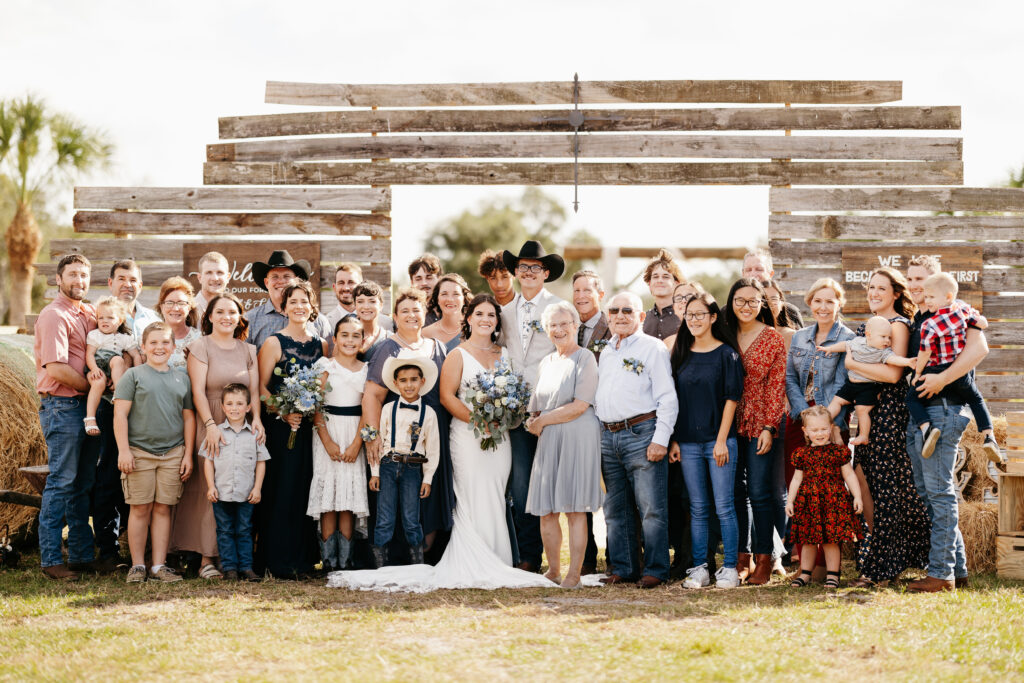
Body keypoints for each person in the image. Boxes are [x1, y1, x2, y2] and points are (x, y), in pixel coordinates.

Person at [330, 295, 562, 591]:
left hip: (498, 438)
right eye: (479, 313)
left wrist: (502, 418)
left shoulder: (504, 354)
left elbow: (513, 394)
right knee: (469, 495)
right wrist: (479, 422)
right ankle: (472, 558)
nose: (485, 319)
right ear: (469, 318)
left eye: (491, 315)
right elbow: (447, 397)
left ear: (496, 322)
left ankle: (498, 557)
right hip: (467, 436)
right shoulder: (456, 353)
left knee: (495, 493)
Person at [903, 256, 988, 592]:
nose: (915, 285)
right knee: (934, 492)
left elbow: (979, 347)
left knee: (939, 494)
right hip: (924, 412)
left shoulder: (957, 312)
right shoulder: (921, 317)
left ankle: (941, 574)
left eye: (921, 279)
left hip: (945, 407)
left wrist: (942, 380)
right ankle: (959, 569)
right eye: (910, 279)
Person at [845, 267, 930, 588]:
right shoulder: (868, 326)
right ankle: (882, 557)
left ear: (896, 293)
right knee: (864, 483)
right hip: (869, 413)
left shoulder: (898, 325)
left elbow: (893, 375)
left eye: (881, 287)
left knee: (887, 490)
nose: (874, 292)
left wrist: (853, 363)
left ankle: (884, 566)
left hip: (890, 414)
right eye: (870, 287)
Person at [361, 287, 454, 565]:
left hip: (434, 430)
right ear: (395, 316)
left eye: (416, 310)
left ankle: (430, 556)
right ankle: (397, 557)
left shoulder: (437, 347)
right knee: (395, 502)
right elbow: (371, 395)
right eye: (405, 311)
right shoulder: (388, 348)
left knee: (431, 491)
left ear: (425, 313)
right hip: (396, 438)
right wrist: (371, 437)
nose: (411, 315)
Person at [595, 292, 679, 588]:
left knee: (651, 508)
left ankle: (656, 569)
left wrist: (660, 439)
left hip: (642, 434)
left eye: (627, 310)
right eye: (614, 310)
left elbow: (667, 397)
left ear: (641, 317)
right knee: (615, 510)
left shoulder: (652, 348)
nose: (620, 315)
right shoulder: (606, 350)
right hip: (608, 436)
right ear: (607, 316)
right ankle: (624, 567)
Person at [177, 293, 262, 580]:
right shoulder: (200, 346)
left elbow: (255, 392)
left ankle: (236, 560)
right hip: (210, 420)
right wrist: (211, 424)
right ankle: (205, 559)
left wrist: (258, 420)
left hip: (243, 423)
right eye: (220, 311)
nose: (227, 316)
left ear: (240, 317)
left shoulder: (249, 350)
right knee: (210, 492)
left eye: (232, 312)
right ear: (209, 316)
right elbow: (197, 391)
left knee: (238, 486)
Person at [667, 292, 743, 589]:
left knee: (724, 506)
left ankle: (730, 569)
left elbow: (732, 399)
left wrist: (722, 440)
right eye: (689, 315)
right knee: (698, 508)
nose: (694, 320)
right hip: (687, 442)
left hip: (719, 442)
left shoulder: (727, 354)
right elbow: (673, 399)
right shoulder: (681, 353)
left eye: (700, 314)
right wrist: (674, 440)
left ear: (713, 318)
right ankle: (699, 568)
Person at [524, 302, 604, 588]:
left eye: (563, 324)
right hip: (549, 438)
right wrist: (534, 421)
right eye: (552, 325)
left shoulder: (585, 359)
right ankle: (554, 570)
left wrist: (542, 421)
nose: (558, 330)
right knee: (547, 509)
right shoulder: (547, 362)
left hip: (577, 434)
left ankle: (574, 574)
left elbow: (580, 405)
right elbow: (536, 405)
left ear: (574, 326)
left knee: (574, 508)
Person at [499, 240, 567, 572]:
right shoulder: (504, 312)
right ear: (515, 272)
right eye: (523, 267)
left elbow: (567, 355)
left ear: (546, 273)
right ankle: (528, 555)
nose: (528, 273)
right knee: (522, 483)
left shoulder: (559, 308)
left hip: (551, 409)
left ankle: (570, 556)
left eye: (535, 268)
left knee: (556, 483)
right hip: (515, 412)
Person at [113, 321, 196, 583]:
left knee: (163, 508)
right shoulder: (133, 376)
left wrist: (187, 454)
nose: (159, 347)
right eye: (154, 343)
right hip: (139, 452)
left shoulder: (181, 377)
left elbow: (189, 418)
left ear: (173, 347)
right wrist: (124, 451)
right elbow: (120, 415)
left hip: (173, 452)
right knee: (140, 508)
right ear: (144, 347)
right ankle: (137, 565)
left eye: (165, 342)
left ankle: (159, 566)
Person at [256, 281, 327, 578]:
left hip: (310, 429)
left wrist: (307, 410)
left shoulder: (321, 344)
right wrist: (284, 412)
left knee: (305, 489)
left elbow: (324, 385)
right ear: (284, 307)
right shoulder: (274, 342)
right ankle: (277, 560)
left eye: (304, 301)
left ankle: (304, 559)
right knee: (281, 489)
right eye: (293, 302)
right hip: (280, 429)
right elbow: (260, 389)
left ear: (312, 307)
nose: (299, 306)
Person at [35, 254, 100, 580]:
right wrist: (93, 388)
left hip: (84, 410)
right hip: (63, 407)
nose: (79, 281)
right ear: (58, 279)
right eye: (73, 274)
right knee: (61, 483)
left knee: (82, 484)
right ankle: (50, 560)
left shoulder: (87, 313)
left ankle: (81, 554)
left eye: (84, 275)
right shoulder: (54, 316)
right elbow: (58, 368)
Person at [785, 278, 856, 569]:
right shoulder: (800, 337)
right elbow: (790, 379)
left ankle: (829, 565)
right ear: (810, 304)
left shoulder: (848, 338)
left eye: (830, 301)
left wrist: (831, 423)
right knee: (801, 489)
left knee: (828, 492)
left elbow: (845, 383)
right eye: (818, 301)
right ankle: (805, 564)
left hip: (831, 421)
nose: (823, 307)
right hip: (800, 420)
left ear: (839, 304)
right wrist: (803, 414)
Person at [723, 278, 786, 585]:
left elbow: (776, 387)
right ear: (731, 302)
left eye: (752, 301)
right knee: (735, 491)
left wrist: (769, 427)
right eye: (740, 300)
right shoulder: (722, 334)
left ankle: (765, 558)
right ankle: (740, 557)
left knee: (760, 492)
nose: (746, 306)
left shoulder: (772, 338)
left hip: (761, 422)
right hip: (727, 422)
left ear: (762, 304)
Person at [908, 273, 997, 461]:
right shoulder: (963, 310)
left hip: (935, 370)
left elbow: (924, 352)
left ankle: (927, 429)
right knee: (976, 399)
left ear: (947, 297)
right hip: (960, 373)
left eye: (931, 297)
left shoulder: (929, 324)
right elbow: (982, 322)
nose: (927, 300)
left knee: (912, 400)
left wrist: (917, 373)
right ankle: (989, 436)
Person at [309, 315, 369, 572]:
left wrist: (358, 443)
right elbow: (316, 407)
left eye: (356, 336)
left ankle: (346, 560)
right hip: (328, 433)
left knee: (348, 496)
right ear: (335, 339)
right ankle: (329, 560)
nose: (350, 340)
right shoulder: (325, 365)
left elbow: (368, 410)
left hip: (355, 432)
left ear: (363, 341)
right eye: (344, 335)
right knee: (328, 497)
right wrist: (328, 442)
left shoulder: (367, 370)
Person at [369, 355, 441, 567]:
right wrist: (374, 472)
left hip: (413, 469)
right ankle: (381, 565)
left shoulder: (428, 414)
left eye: (413, 379)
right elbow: (378, 443)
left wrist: (427, 478)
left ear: (422, 382)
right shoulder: (388, 409)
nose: (408, 385)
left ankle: (416, 563)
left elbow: (433, 449)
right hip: (387, 466)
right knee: (385, 518)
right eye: (403, 380)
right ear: (395, 383)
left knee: (411, 518)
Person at [786, 405, 863, 589]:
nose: (819, 433)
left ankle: (833, 575)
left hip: (833, 502)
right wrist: (790, 500)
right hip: (808, 503)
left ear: (830, 427)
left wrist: (857, 496)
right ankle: (805, 573)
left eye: (823, 429)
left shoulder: (838, 452)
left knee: (831, 541)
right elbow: (797, 478)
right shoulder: (802, 454)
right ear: (805, 431)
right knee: (808, 540)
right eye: (814, 430)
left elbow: (850, 475)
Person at [202, 382, 268, 582]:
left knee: (245, 530)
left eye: (240, 403)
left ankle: (246, 567)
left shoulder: (255, 434)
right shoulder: (216, 433)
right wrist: (211, 486)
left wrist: (257, 488)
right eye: (229, 404)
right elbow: (208, 461)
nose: (234, 408)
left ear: (248, 407)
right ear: (222, 407)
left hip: (246, 493)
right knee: (224, 531)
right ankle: (229, 568)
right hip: (221, 492)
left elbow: (261, 462)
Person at [820, 316, 916, 446]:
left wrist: (908, 362)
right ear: (868, 335)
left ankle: (863, 435)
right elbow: (844, 345)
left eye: (889, 337)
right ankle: (824, 420)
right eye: (883, 337)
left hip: (868, 387)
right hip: (851, 384)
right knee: (837, 401)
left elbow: (895, 359)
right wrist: (830, 348)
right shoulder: (858, 342)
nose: (887, 341)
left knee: (862, 410)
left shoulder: (884, 352)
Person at [569, 269, 610, 572]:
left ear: (600, 295)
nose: (581, 296)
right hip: (575, 418)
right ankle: (586, 558)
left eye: (587, 290)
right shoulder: (568, 328)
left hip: (606, 416)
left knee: (613, 489)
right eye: (577, 291)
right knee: (581, 489)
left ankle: (621, 556)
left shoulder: (613, 326)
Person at [246, 249, 331, 350]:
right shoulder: (250, 320)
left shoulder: (319, 321)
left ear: (296, 281)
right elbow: (244, 360)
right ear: (266, 282)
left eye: (286, 276)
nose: (281, 281)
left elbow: (331, 358)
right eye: (275, 277)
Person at [84, 297, 141, 436]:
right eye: (101, 317)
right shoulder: (94, 335)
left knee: (117, 360)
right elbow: (89, 354)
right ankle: (90, 419)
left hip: (113, 366)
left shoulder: (125, 338)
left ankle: (118, 390)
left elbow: (136, 355)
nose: (104, 321)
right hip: (97, 365)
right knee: (98, 383)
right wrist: (94, 369)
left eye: (110, 317)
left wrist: (138, 372)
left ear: (120, 321)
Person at [325, 263, 394, 334]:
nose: (346, 288)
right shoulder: (326, 323)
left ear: (361, 285)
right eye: (341, 283)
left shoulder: (386, 323)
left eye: (351, 282)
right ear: (334, 287)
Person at [741, 249, 803, 326]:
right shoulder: (731, 311)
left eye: (759, 269)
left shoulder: (790, 312)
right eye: (748, 270)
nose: (753, 274)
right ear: (743, 274)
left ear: (770, 274)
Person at [156, 276, 201, 372]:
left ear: (189, 307)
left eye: (181, 303)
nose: (175, 308)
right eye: (169, 302)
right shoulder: (149, 336)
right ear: (161, 306)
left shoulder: (199, 339)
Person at [108, 260, 161, 339]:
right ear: (110, 283)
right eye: (121, 279)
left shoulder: (154, 318)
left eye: (133, 280)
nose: (127, 285)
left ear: (140, 286)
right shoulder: (99, 317)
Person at [642, 249, 684, 340]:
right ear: (649, 284)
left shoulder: (686, 318)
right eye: (655, 277)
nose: (660, 280)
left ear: (676, 284)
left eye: (666, 277)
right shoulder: (642, 320)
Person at [423, 273, 472, 352]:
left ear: (464, 299)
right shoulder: (425, 334)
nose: (450, 299)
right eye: (444, 294)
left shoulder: (474, 329)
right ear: (437, 299)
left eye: (456, 294)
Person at [352, 281, 392, 362]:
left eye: (372, 301)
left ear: (381, 305)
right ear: (355, 305)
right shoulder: (345, 337)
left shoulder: (390, 339)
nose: (366, 306)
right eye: (360, 301)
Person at [662, 281, 704, 351]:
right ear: (673, 307)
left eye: (689, 297)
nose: (683, 301)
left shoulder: (710, 338)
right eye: (678, 298)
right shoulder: (667, 343)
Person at [408, 253, 443, 326]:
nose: (424, 283)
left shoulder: (449, 307)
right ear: (412, 282)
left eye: (429, 278)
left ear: (439, 280)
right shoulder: (405, 312)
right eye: (418, 279)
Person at [194, 251, 229, 318]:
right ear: (199, 278)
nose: (215, 278)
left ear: (228, 277)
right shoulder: (188, 310)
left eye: (220, 272)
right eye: (209, 272)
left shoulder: (233, 312)